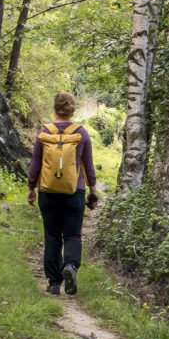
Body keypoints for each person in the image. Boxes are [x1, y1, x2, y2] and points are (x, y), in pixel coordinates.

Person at [27, 92, 99, 295]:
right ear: (71, 109)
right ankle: (70, 266)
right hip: (74, 192)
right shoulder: (81, 133)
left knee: (52, 236)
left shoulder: (44, 132)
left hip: (47, 192)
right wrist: (92, 190)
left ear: (55, 108)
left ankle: (54, 283)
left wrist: (31, 188)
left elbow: (35, 164)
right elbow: (88, 165)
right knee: (73, 234)